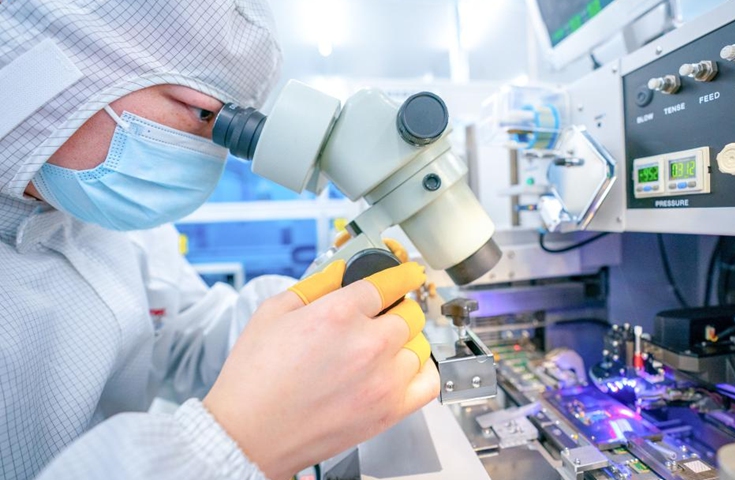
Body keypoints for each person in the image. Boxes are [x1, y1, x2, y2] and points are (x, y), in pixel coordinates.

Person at [0, 1, 439, 479]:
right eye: (205, 113)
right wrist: (221, 449)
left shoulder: (104, 225)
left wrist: (320, 302)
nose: (211, 151)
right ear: (54, 74)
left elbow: (185, 342)